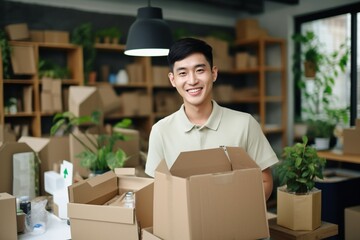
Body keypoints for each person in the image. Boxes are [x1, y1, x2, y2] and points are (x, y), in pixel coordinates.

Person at [145, 37, 278, 200]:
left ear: (213, 73)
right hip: (183, 224)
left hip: (234, 223)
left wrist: (236, 211)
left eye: (199, 70)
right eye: (182, 73)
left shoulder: (245, 124)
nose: (192, 80)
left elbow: (264, 181)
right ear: (173, 80)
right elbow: (157, 190)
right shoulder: (161, 131)